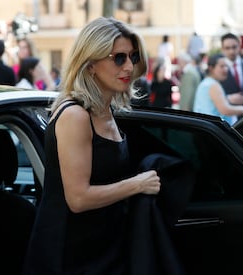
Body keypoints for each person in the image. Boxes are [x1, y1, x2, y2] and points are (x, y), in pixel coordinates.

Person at [23, 17, 162, 274]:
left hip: (104, 248)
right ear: (90, 65)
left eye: (132, 56)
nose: (129, 66)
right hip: (71, 257)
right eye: (118, 58)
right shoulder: (75, 115)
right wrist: (138, 184)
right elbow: (78, 198)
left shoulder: (107, 111)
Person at [193, 53, 243, 125]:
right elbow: (225, 109)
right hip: (213, 131)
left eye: (226, 66)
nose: (225, 69)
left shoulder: (205, 83)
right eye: (222, 66)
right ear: (211, 68)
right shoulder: (213, 85)